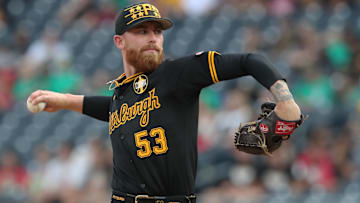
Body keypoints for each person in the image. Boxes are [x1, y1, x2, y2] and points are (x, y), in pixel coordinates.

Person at [28, 2, 301, 203]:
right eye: (142, 31)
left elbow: (250, 60)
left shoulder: (178, 74)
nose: (153, 38)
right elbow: (112, 108)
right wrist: (65, 100)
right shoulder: (123, 93)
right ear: (119, 41)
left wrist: (285, 100)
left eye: (157, 31)